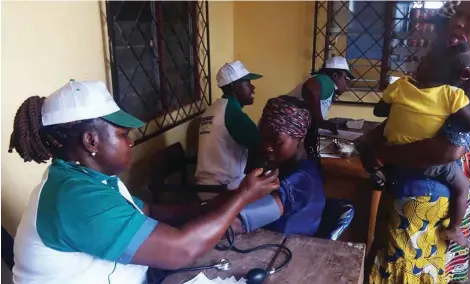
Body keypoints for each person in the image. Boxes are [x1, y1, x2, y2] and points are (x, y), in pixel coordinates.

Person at [9, 80, 279, 284]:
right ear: (91, 141)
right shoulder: (75, 198)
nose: (131, 141)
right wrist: (243, 196)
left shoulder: (88, 180)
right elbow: (181, 251)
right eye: (122, 134)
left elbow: (150, 212)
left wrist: (223, 200)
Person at [361, 1, 470, 283]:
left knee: (407, 268)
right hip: (411, 184)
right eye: (459, 14)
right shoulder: (444, 67)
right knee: (394, 262)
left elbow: (447, 150)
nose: (460, 23)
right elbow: (408, 114)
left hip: (423, 193)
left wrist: (380, 149)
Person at [371, 39, 470, 248]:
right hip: (429, 162)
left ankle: (382, 171)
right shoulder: (451, 95)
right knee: (462, 186)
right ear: (465, 75)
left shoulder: (401, 84)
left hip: (394, 151)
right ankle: (455, 229)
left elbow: (380, 111)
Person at [231, 96, 326, 236]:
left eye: (277, 141)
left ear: (300, 138)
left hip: (288, 252)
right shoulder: (287, 169)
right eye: (264, 138)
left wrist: (243, 195)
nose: (267, 147)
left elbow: (238, 223)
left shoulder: (301, 180)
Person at [195, 61, 262, 191]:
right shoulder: (232, 112)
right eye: (247, 83)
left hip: (205, 186)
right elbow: (260, 145)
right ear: (233, 86)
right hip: (223, 188)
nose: (253, 88)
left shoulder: (214, 108)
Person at [287, 56, 354, 133]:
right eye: (346, 79)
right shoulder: (326, 81)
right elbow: (311, 86)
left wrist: (321, 122)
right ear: (335, 76)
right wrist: (319, 121)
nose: (347, 84)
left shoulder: (326, 84)